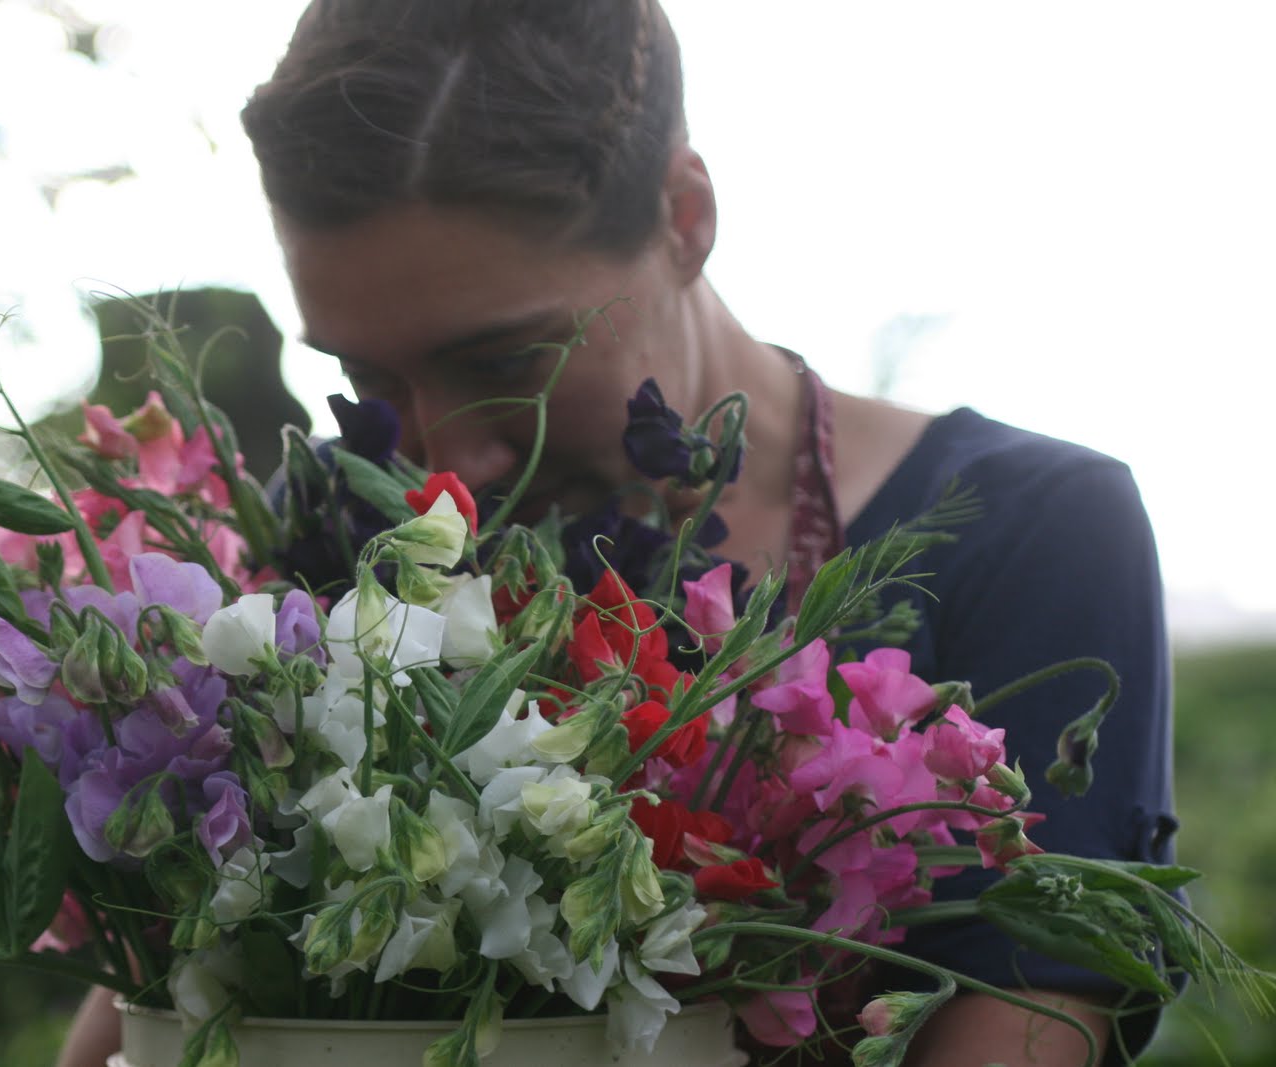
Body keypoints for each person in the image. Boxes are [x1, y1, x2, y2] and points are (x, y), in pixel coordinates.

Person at [60, 2, 1176, 1064]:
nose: (440, 469)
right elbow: (152, 1003)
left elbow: (1026, 1016)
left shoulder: (1033, 531)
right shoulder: (356, 556)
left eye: (504, 361)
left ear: (684, 217)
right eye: (366, 376)